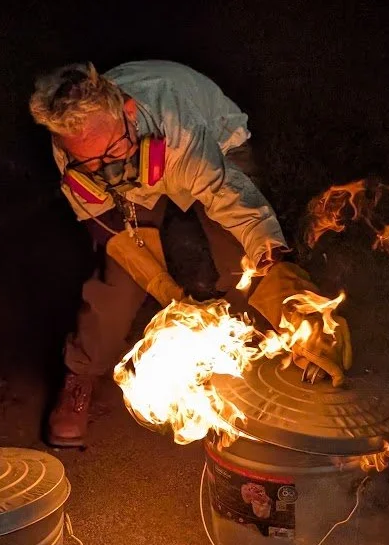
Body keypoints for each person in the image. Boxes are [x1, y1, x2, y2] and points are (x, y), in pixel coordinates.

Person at [29, 59, 351, 447]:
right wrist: (172, 296)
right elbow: (114, 235)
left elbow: (237, 206)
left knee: (241, 261)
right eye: (93, 162)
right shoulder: (71, 147)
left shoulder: (178, 126)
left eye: (114, 149)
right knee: (116, 280)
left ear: (129, 113)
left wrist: (285, 284)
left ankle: (272, 366)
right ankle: (81, 372)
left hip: (216, 142)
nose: (110, 172)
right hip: (142, 160)